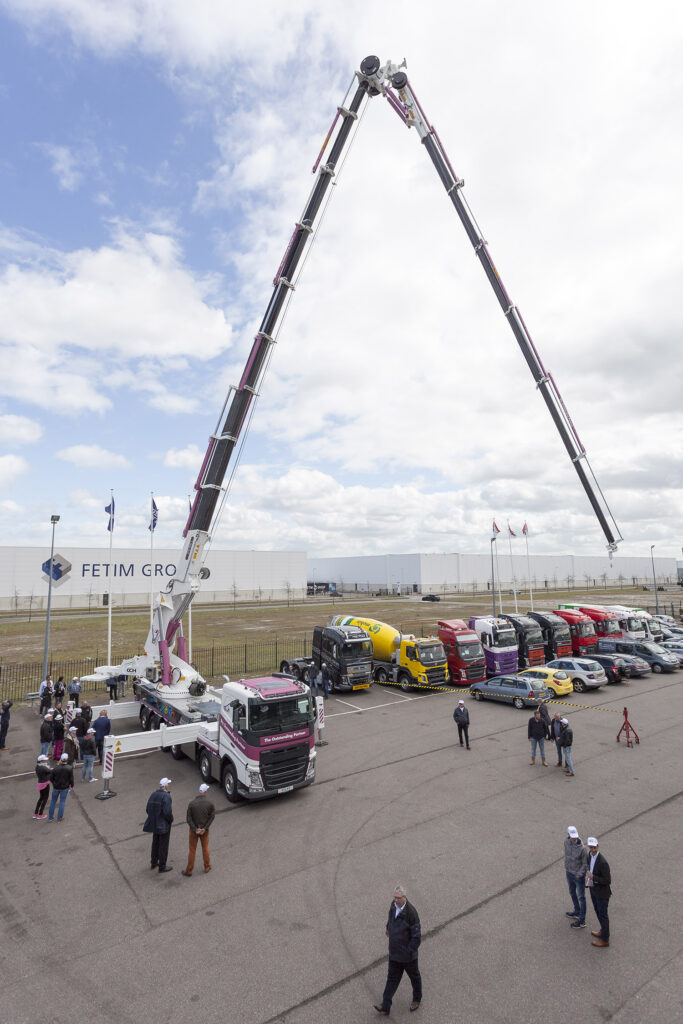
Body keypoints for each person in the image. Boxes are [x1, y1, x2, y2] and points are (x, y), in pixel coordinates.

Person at [374, 884, 422, 1015]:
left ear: (404, 897)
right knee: (391, 978)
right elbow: (390, 918)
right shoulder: (393, 905)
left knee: (414, 976)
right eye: (394, 897)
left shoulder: (411, 913)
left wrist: (409, 951)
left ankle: (417, 999)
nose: (396, 900)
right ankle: (385, 1005)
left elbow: (416, 937)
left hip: (407, 956)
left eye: (398, 898)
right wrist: (388, 927)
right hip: (394, 953)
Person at [181, 783, 216, 877]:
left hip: (193, 831)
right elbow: (212, 817)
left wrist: (195, 829)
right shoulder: (210, 803)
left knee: (192, 850)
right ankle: (207, 866)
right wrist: (204, 828)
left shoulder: (192, 804)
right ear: (205, 791)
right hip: (205, 831)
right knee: (205, 849)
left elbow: (188, 819)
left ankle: (189, 870)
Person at [143, 778, 174, 873]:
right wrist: (170, 820)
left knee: (155, 843)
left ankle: (153, 862)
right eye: (168, 784)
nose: (168, 785)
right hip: (163, 825)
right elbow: (167, 812)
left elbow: (148, 809)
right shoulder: (166, 796)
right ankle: (162, 866)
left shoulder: (153, 794)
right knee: (163, 845)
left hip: (154, 823)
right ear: (165, 786)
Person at [586, 837, 611, 947]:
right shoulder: (589, 856)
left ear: (598, 846)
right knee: (597, 912)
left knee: (603, 915)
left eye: (594, 847)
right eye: (591, 847)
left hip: (602, 893)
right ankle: (602, 931)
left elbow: (607, 880)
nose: (593, 849)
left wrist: (593, 877)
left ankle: (605, 939)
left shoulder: (602, 862)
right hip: (593, 889)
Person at [564, 826, 587, 929]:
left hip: (578, 876)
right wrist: (567, 867)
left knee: (581, 897)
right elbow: (566, 855)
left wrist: (579, 874)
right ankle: (577, 911)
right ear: (568, 835)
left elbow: (585, 864)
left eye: (575, 836)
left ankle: (582, 920)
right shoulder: (566, 842)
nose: (574, 838)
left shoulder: (582, 848)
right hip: (569, 872)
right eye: (572, 836)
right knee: (572, 892)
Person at [48, 753, 74, 822]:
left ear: (61, 759)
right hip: (65, 788)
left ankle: (50, 817)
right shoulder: (69, 768)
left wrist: (54, 784)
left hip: (56, 787)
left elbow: (51, 778)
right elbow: (71, 779)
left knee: (53, 801)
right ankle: (59, 818)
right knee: (62, 802)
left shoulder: (55, 768)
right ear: (67, 759)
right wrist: (71, 785)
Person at [34, 754, 52, 819]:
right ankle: (40, 814)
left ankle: (35, 813)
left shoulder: (37, 767)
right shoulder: (43, 768)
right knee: (45, 799)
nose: (46, 761)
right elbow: (50, 771)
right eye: (44, 760)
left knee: (41, 798)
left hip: (40, 783)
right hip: (45, 784)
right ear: (41, 761)